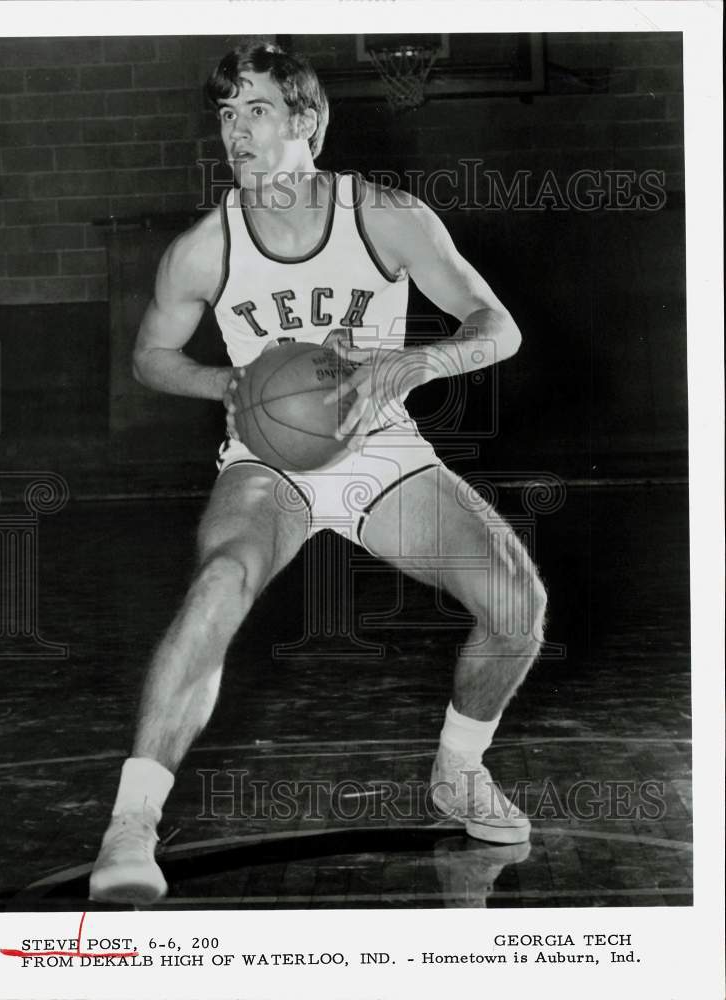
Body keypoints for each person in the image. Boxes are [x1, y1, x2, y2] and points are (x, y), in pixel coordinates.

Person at [89, 41, 547, 905]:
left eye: (255, 111)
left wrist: (418, 364)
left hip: (379, 449)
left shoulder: (384, 218)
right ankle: (132, 821)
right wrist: (224, 380)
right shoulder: (204, 247)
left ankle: (458, 771)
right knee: (220, 581)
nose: (236, 133)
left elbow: (498, 325)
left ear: (307, 122)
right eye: (226, 116)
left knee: (518, 606)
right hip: (270, 459)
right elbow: (151, 356)